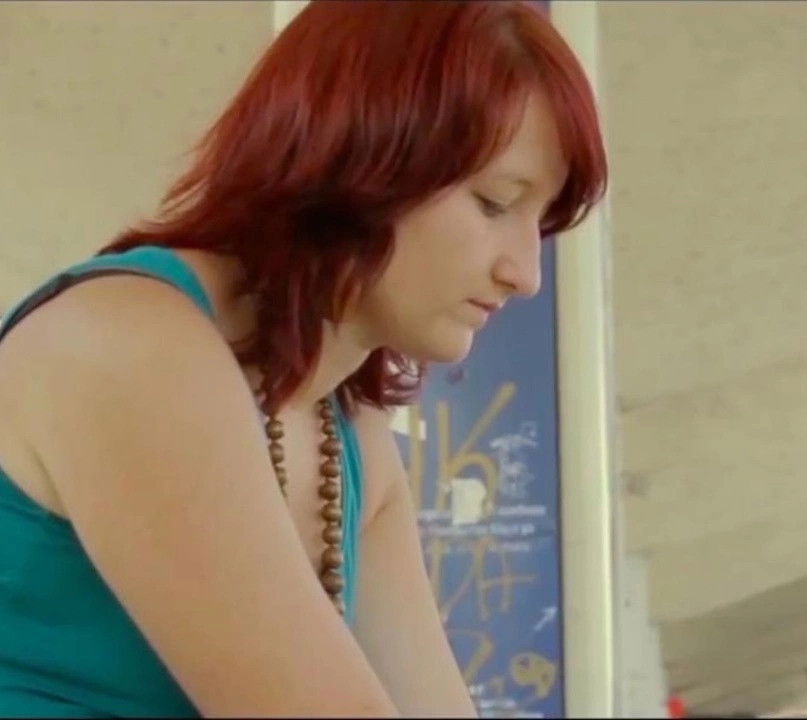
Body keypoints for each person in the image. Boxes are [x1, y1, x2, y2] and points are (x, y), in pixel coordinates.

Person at [0, 1, 605, 716]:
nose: (525, 274)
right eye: (496, 202)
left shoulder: (351, 435)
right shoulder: (130, 345)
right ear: (360, 154)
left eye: (542, 222)